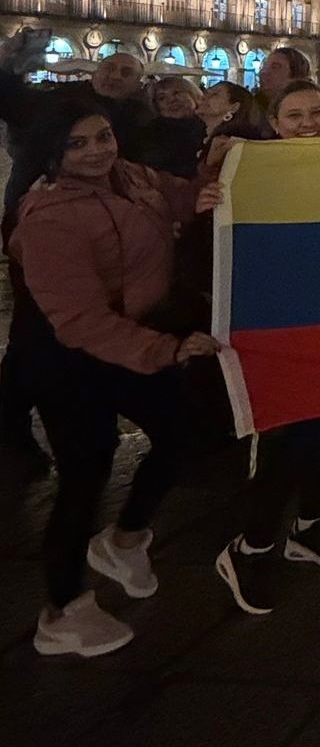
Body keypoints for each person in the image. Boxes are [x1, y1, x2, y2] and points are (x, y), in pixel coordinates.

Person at [9, 101, 221, 656]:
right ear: (52, 153)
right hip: (65, 357)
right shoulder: (49, 217)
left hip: (132, 334)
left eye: (102, 136)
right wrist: (167, 350)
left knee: (179, 433)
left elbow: (177, 192)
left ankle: (124, 539)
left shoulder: (130, 176)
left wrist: (206, 191)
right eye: (78, 144)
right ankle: (63, 609)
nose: (97, 150)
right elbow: (80, 320)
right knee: (86, 469)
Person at [214, 81, 320, 615]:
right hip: (273, 324)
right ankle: (250, 547)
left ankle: (309, 526)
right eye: (294, 115)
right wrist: (209, 191)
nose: (307, 123)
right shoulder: (250, 166)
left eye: (317, 113)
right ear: (274, 122)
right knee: (279, 436)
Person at [0, 43, 153, 479]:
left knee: (61, 330)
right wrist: (9, 63)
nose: (116, 76)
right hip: (38, 230)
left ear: (138, 84)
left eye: (127, 72)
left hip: (103, 233)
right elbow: (7, 96)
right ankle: (14, 428)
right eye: (111, 67)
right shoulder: (55, 103)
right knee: (33, 331)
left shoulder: (137, 119)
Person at [137, 77, 206, 179]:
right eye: (162, 98)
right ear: (157, 107)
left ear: (193, 95)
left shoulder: (211, 125)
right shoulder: (151, 135)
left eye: (177, 93)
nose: (171, 100)